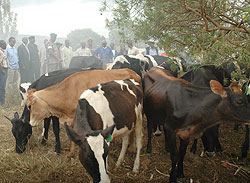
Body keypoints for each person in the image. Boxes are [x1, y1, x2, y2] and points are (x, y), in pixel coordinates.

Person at [0, 40, 8, 105]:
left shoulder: (3, 51)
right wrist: (2, 70)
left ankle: (2, 101)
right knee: (2, 87)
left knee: (3, 86)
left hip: (5, 69)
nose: (5, 45)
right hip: (2, 70)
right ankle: (2, 102)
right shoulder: (0, 52)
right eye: (4, 44)